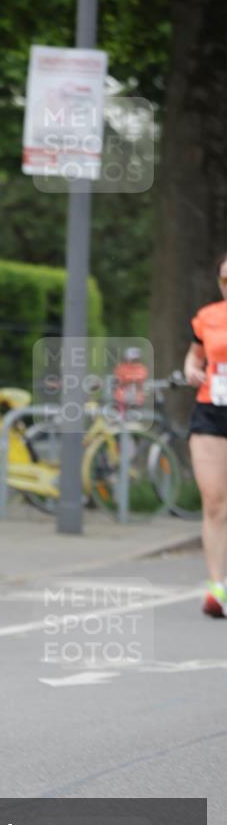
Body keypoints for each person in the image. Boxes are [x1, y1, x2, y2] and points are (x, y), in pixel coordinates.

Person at [184, 252, 227, 617]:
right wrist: (191, 370)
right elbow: (195, 356)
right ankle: (218, 588)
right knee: (214, 502)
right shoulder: (208, 317)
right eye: (225, 281)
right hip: (211, 412)